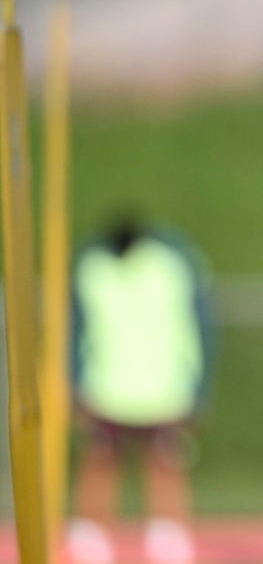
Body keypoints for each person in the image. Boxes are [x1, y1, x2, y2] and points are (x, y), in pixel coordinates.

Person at [67, 212, 214, 564]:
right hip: (148, 391)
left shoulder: (92, 265)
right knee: (135, 465)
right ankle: (150, 540)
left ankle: (101, 539)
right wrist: (198, 388)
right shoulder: (176, 263)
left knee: (122, 465)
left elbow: (75, 333)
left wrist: (75, 383)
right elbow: (201, 330)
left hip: (120, 389)